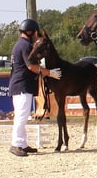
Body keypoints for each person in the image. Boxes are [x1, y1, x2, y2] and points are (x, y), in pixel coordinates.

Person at [9, 19, 62, 157]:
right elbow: (31, 66)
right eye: (35, 32)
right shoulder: (26, 46)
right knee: (21, 116)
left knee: (23, 115)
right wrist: (50, 73)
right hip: (22, 85)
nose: (36, 36)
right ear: (30, 31)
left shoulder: (19, 45)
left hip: (20, 84)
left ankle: (23, 144)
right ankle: (16, 144)